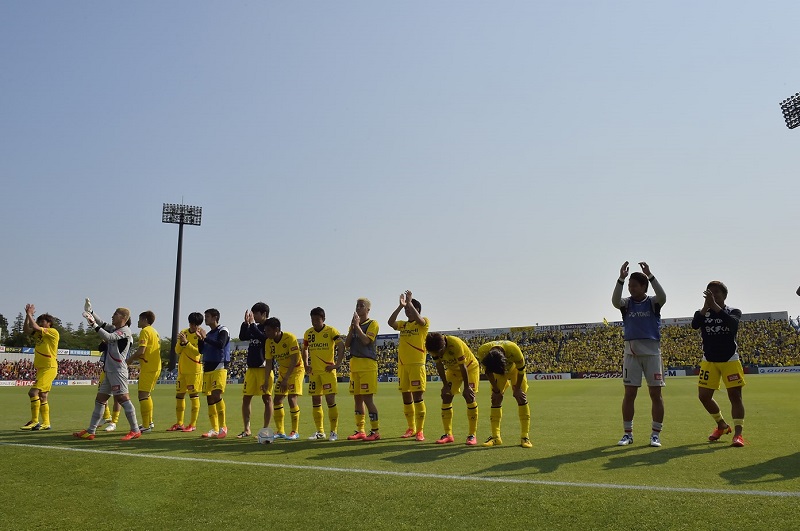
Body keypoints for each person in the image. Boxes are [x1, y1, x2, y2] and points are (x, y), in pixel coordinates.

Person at [611, 261, 666, 448]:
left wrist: (650, 275)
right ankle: (628, 434)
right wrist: (621, 278)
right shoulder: (626, 304)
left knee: (656, 394)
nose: (631, 288)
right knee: (629, 394)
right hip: (631, 354)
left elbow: (663, 295)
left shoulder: (652, 302)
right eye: (629, 286)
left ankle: (655, 435)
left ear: (644, 287)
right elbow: (614, 301)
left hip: (652, 354)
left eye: (634, 285)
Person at [74, 306, 141, 441]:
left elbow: (109, 337)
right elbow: (102, 323)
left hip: (118, 371)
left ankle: (135, 430)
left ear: (123, 318)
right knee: (100, 399)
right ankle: (91, 431)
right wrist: (91, 311)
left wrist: (93, 324)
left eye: (115, 314)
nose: (112, 315)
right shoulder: (115, 328)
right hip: (109, 370)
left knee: (122, 399)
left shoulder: (125, 331)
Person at [691, 281, 746, 447]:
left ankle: (738, 434)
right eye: (710, 293)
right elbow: (695, 325)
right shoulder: (702, 313)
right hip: (709, 360)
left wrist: (714, 306)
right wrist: (705, 307)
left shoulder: (734, 311)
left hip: (730, 359)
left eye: (716, 293)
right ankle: (721, 424)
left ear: (724, 295)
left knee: (735, 397)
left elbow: (733, 324)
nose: (713, 295)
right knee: (704, 396)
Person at [388, 290, 430, 441]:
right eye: (406, 309)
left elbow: (421, 321)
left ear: (416, 309)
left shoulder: (423, 322)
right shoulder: (403, 325)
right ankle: (411, 428)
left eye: (409, 309)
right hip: (403, 365)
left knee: (418, 397)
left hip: (417, 365)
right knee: (406, 397)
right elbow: (390, 322)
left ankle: (420, 430)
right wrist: (400, 307)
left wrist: (410, 302)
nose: (406, 311)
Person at [425, 332, 480, 445]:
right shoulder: (433, 347)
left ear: (444, 344)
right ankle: (448, 434)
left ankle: (472, 435)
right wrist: (445, 385)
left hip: (469, 369)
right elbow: (439, 365)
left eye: (440, 352)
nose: (439, 355)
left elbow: (463, 366)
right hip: (453, 371)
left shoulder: (455, 343)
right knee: (446, 396)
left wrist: (466, 387)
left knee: (469, 397)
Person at [476, 340, 532, 448]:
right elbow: (488, 372)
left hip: (515, 370)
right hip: (498, 373)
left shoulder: (514, 349)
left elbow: (521, 370)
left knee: (521, 397)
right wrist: (496, 391)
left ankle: (525, 437)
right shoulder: (482, 351)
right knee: (495, 399)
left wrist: (517, 389)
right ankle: (496, 437)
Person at [303, 307, 345, 441]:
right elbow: (304, 349)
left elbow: (341, 346)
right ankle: (320, 431)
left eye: (317, 319)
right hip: (314, 373)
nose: (314, 322)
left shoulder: (331, 331)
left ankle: (334, 431)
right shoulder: (308, 333)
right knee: (316, 402)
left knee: (330, 401)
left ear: (323, 319)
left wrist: (337, 364)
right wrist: (305, 364)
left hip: (328, 372)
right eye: (312, 319)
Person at [346, 298, 382, 441]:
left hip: (368, 366)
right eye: (357, 306)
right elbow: (348, 344)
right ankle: (360, 430)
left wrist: (357, 327)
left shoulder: (373, 324)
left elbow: (367, 341)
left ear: (368, 309)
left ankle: (375, 431)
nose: (359, 308)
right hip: (355, 366)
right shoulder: (354, 325)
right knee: (357, 399)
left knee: (368, 399)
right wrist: (352, 327)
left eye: (362, 306)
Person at [20, 304, 59, 431]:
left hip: (49, 367)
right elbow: (26, 329)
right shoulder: (39, 334)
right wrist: (27, 316)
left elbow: (35, 327)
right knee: (43, 396)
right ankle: (46, 423)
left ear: (49, 323)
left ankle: (35, 421)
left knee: (33, 392)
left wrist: (30, 314)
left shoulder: (52, 332)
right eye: (40, 321)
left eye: (43, 321)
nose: (40, 323)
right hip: (42, 368)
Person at [263, 317, 303, 440]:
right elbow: (269, 363)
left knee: (292, 398)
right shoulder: (269, 342)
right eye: (265, 330)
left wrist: (286, 379)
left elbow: (294, 359)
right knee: (277, 400)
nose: (266, 333)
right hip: (283, 371)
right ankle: (280, 431)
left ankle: (294, 431)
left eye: (268, 330)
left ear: (277, 329)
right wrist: (265, 382)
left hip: (296, 370)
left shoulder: (290, 338)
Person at [238, 302, 271, 439]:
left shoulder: (270, 327)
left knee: (267, 398)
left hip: (264, 368)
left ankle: (265, 430)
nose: (253, 316)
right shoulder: (254, 327)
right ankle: (247, 429)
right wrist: (245, 323)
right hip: (251, 369)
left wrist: (252, 325)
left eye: (255, 314)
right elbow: (243, 337)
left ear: (263, 314)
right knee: (246, 398)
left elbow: (264, 338)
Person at [197, 308, 231, 439]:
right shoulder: (209, 333)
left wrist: (205, 338)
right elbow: (201, 350)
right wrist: (201, 339)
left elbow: (221, 344)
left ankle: (223, 427)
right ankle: (214, 429)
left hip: (219, 365)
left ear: (215, 317)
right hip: (208, 367)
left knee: (216, 394)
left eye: (207, 316)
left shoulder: (223, 330)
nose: (205, 319)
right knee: (209, 397)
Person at [168, 312, 204, 432]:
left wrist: (187, 343)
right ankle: (179, 423)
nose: (195, 327)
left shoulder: (201, 334)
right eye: (193, 324)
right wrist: (182, 342)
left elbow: (197, 352)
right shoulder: (184, 332)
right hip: (182, 370)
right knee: (179, 396)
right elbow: (177, 350)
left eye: (197, 325)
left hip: (194, 371)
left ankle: (192, 424)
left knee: (193, 395)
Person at [128, 310, 161, 432]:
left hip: (149, 367)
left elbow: (141, 350)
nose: (138, 321)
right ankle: (149, 422)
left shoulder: (145, 331)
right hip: (154, 366)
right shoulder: (154, 331)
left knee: (142, 395)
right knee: (146, 395)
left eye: (139, 319)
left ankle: (146, 426)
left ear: (145, 320)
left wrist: (130, 359)